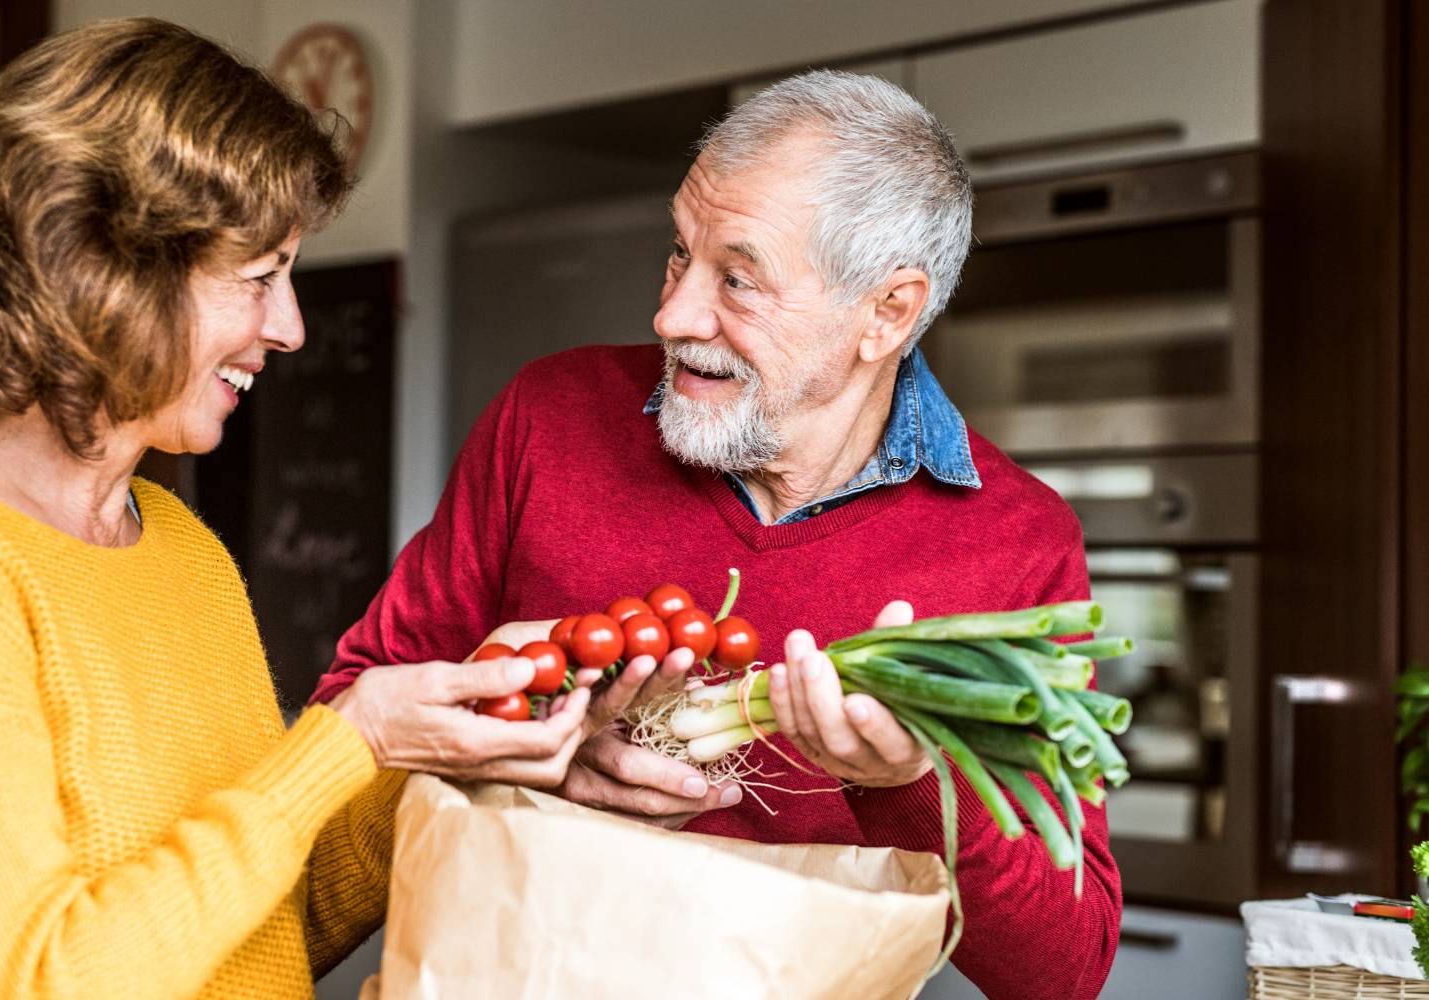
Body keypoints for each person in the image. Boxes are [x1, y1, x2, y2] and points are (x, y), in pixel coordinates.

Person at [0, 19, 591, 1000]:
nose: (288, 328)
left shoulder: (182, 546)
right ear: (101, 272)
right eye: (257, 278)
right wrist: (349, 738)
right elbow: (45, 979)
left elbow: (264, 929)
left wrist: (467, 750)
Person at [313, 71, 1121, 998]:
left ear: (887, 313)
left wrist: (907, 784)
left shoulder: (1013, 542)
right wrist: (528, 754)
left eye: (737, 278)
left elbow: (1065, 972)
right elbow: (355, 718)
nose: (674, 315)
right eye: (678, 256)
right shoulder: (550, 417)